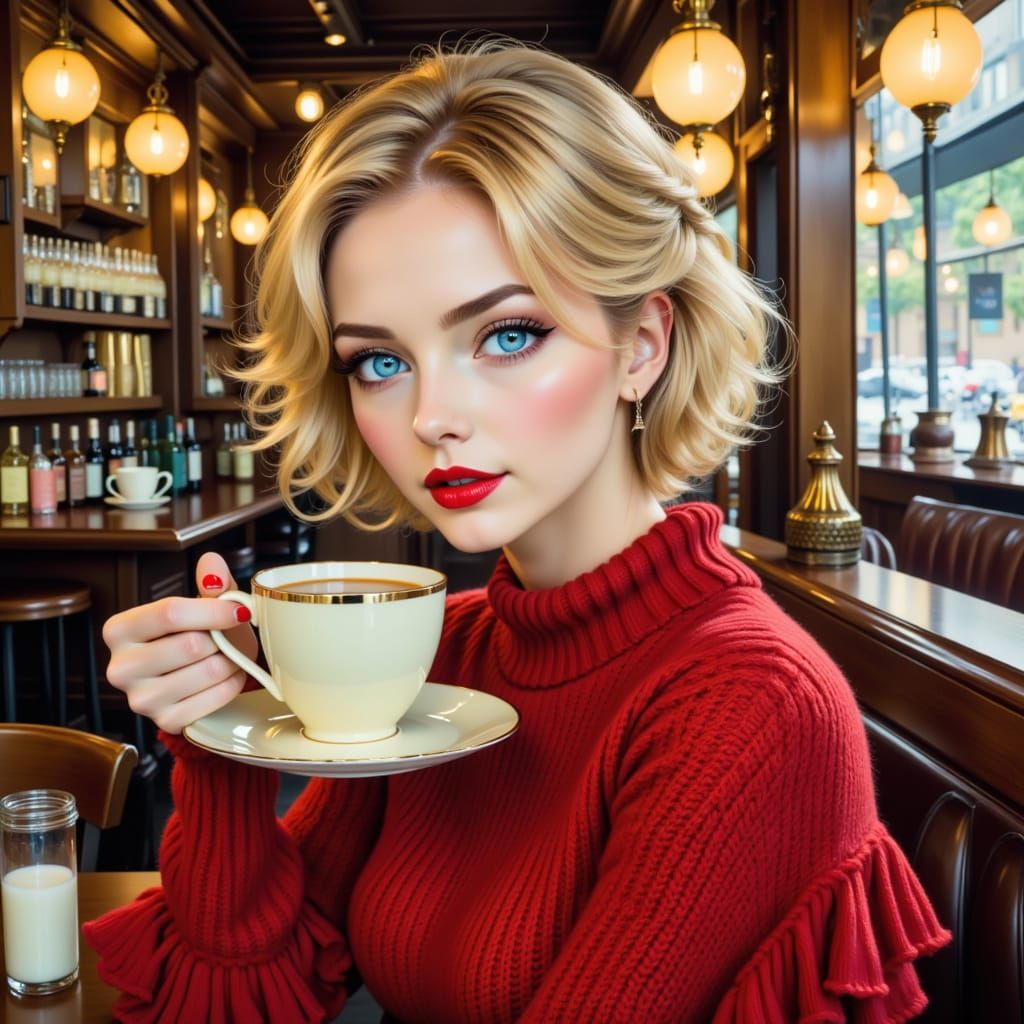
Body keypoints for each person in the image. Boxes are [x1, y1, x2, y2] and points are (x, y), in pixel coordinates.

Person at [86, 41, 949, 1023]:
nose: (430, 415)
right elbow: (248, 988)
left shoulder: (751, 704)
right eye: (379, 361)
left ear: (643, 345)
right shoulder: (451, 647)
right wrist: (224, 735)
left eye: (506, 333)